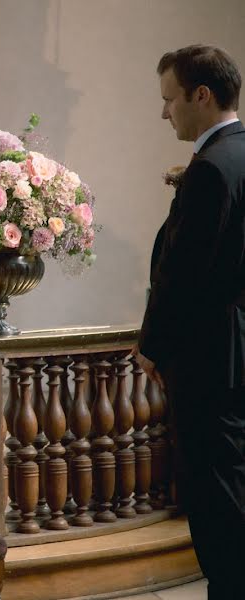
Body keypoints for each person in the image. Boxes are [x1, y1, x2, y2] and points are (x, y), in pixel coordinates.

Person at [137, 44, 245, 600]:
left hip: (210, 358)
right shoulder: (236, 156)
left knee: (215, 492)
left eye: (169, 99)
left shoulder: (210, 170)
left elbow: (184, 273)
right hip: (239, 350)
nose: (165, 113)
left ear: (201, 95)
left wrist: (153, 346)